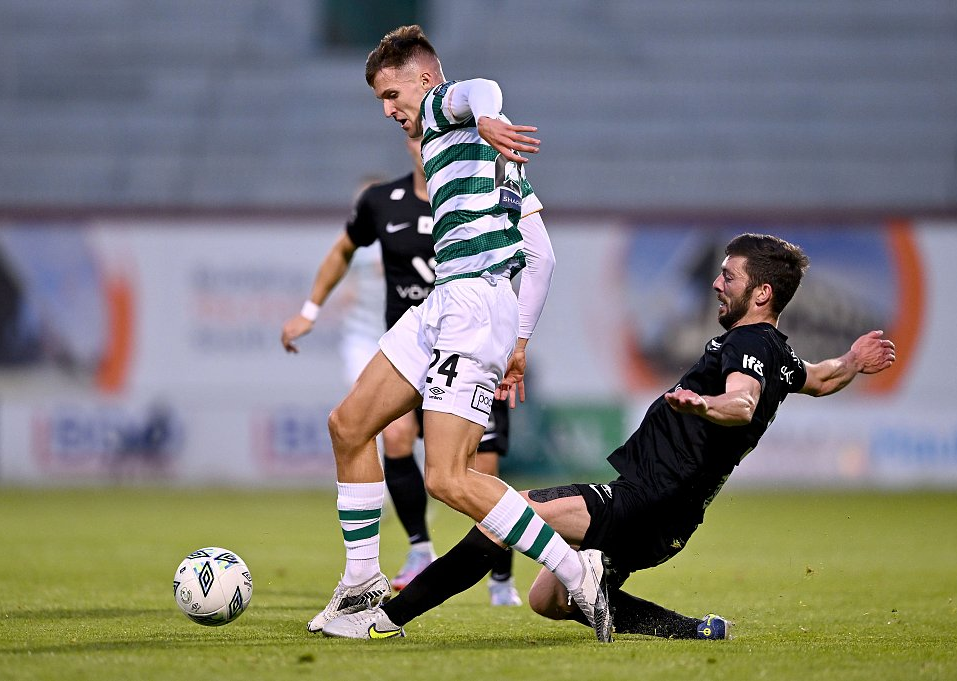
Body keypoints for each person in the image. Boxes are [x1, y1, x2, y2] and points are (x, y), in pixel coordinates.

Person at [320, 232, 897, 640]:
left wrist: (705, 403)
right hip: (672, 520)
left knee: (506, 517)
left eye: (729, 276)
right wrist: (851, 360)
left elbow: (742, 403)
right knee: (549, 600)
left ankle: (384, 620)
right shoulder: (780, 353)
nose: (717, 283)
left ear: (762, 293)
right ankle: (692, 631)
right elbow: (820, 379)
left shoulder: (748, 345)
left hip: (646, 499)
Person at [303, 24, 614, 642]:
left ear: (424, 79)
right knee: (349, 425)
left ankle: (576, 568)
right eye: (381, 101)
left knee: (446, 477)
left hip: (471, 306)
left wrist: (489, 115)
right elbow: (542, 257)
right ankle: (361, 582)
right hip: (450, 301)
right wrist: (519, 341)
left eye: (391, 95)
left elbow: (479, 88)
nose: (389, 111)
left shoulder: (444, 111)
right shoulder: (494, 155)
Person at [280, 136, 522, 607]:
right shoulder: (380, 201)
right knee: (389, 434)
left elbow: (519, 263)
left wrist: (517, 339)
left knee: (478, 468)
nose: (420, 139)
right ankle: (418, 549)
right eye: (414, 133)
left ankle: (502, 578)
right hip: (411, 346)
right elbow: (342, 250)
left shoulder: (478, 196)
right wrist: (310, 310)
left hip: (469, 344)